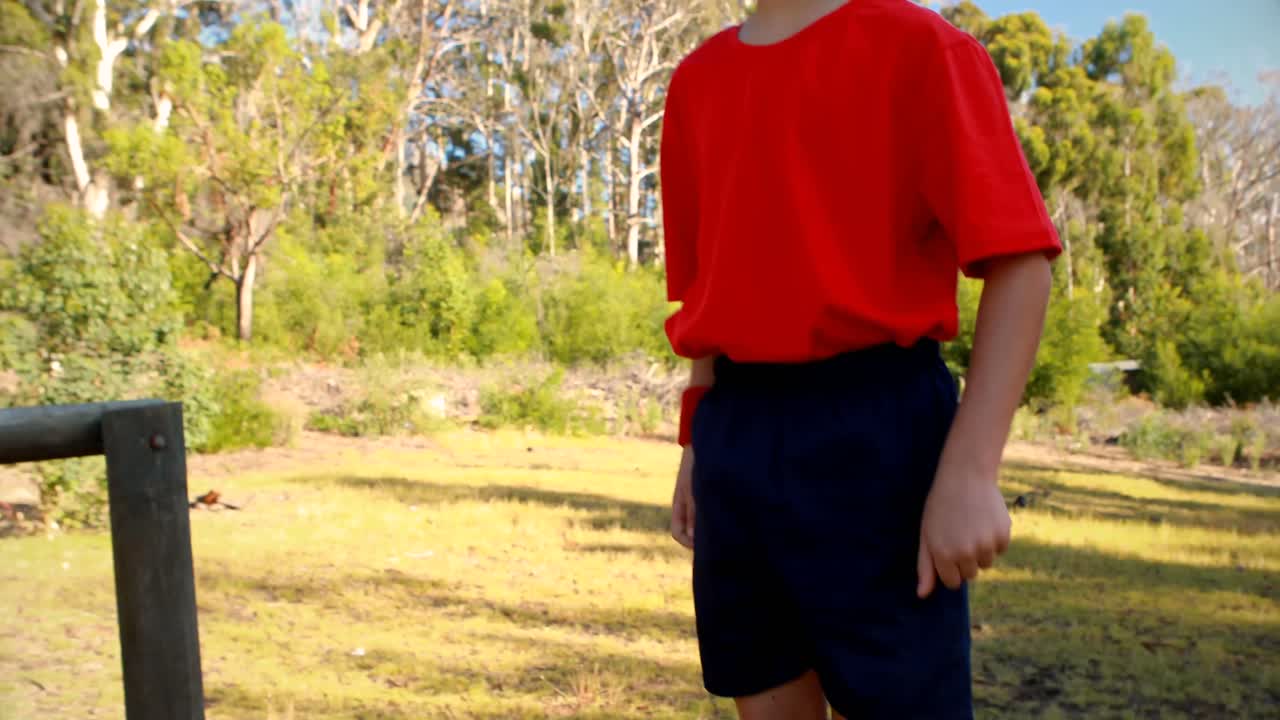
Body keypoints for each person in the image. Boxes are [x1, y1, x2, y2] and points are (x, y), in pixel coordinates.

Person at [660, 0, 1061, 718]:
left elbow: (1021, 265)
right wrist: (696, 442)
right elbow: (706, 291)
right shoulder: (697, 81)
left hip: (881, 435)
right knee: (764, 689)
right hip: (738, 435)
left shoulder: (921, 47)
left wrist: (971, 472)